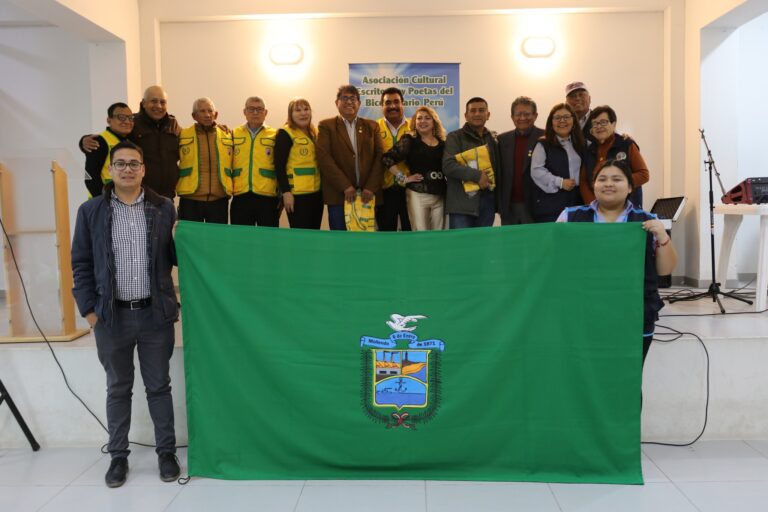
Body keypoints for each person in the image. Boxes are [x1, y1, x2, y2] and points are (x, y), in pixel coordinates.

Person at [71, 140, 180, 488]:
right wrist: (89, 310)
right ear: (110, 169)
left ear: (144, 169)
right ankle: (118, 456)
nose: (128, 169)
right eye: (121, 164)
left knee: (159, 387)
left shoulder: (164, 208)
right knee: (118, 388)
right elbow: (81, 263)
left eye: (134, 163)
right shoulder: (91, 211)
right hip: (110, 317)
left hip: (154, 316)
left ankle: (166, 453)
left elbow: (179, 257)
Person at [557, 159, 677, 366]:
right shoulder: (570, 217)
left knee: (628, 376)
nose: (608, 184)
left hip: (635, 313)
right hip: (583, 312)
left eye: (617, 179)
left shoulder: (647, 221)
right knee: (586, 373)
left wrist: (662, 236)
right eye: (602, 179)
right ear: (593, 186)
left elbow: (665, 270)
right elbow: (553, 259)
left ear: (630, 187)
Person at [80, 85, 181, 199]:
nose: (158, 106)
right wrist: (83, 141)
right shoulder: (133, 123)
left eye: (163, 102)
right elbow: (111, 135)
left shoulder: (173, 124)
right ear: (143, 103)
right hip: (139, 196)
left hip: (167, 196)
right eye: (153, 101)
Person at [317, 85, 384, 230]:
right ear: (337, 103)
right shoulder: (326, 126)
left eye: (353, 99)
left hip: (368, 196)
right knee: (341, 243)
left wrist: (370, 188)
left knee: (366, 243)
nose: (349, 102)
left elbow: (380, 157)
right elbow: (324, 158)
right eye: (344, 98)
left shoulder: (372, 126)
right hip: (339, 196)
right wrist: (345, 186)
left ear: (359, 103)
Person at [382, 106, 447, 231]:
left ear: (434, 122)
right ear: (414, 122)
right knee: (420, 234)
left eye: (427, 118)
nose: (423, 121)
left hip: (440, 195)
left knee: (439, 235)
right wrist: (403, 178)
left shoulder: (443, 143)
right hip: (417, 195)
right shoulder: (409, 140)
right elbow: (387, 158)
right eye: (419, 118)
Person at [442, 97, 500, 229]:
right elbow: (448, 166)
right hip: (461, 206)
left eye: (481, 110)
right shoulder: (454, 137)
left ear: (488, 115)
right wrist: (477, 175)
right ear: (466, 116)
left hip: (488, 203)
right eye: (473, 111)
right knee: (461, 247)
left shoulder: (493, 139)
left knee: (483, 247)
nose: (477, 114)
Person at [176, 97, 233, 223]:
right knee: (191, 240)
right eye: (202, 111)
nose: (207, 115)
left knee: (216, 240)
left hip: (219, 200)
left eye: (210, 111)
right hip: (190, 199)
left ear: (216, 114)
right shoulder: (182, 135)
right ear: (194, 116)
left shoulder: (228, 135)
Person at [581, 105, 650, 208]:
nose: (599, 126)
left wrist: (617, 184)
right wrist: (594, 205)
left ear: (613, 124)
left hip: (626, 208)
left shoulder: (626, 144)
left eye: (603, 122)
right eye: (595, 123)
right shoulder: (589, 150)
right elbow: (584, 182)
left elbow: (643, 175)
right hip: (598, 211)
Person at [229, 97, 280, 226]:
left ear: (266, 112)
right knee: (242, 240)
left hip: (268, 197)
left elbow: (281, 165)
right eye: (251, 109)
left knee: (268, 240)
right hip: (241, 195)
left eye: (259, 109)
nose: (255, 113)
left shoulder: (276, 135)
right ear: (244, 112)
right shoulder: (233, 134)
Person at [274, 98, 323, 229]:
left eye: (306, 109)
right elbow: (279, 167)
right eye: (298, 110)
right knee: (301, 239)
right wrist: (286, 193)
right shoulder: (285, 133)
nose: (303, 113)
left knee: (314, 235)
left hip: (316, 194)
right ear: (291, 114)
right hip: (297, 196)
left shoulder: (314, 133)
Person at [497, 96, 544, 225]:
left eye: (527, 114)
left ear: (535, 115)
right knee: (509, 244)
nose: (522, 118)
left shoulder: (545, 138)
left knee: (535, 244)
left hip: (536, 206)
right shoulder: (502, 140)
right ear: (512, 117)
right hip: (508, 206)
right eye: (518, 114)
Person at [375, 87, 412, 231]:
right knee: (385, 234)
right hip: (383, 190)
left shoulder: (415, 126)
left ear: (403, 104)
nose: (392, 106)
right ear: (382, 106)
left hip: (410, 189)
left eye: (396, 102)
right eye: (388, 103)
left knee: (410, 232)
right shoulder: (374, 127)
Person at [84, 103, 134, 197]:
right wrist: (104, 201)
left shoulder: (130, 143)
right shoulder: (99, 141)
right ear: (109, 120)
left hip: (123, 201)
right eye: (121, 117)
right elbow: (90, 177)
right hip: (103, 202)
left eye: (130, 118)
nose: (127, 121)